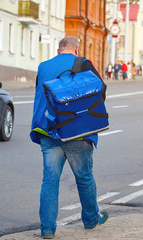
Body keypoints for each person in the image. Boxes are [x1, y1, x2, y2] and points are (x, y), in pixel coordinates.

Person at [30, 36, 108, 239]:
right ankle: (91, 219)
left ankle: (47, 229)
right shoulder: (83, 64)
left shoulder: (43, 66)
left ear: (58, 51)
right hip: (76, 131)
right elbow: (100, 91)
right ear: (77, 50)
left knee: (49, 180)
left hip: (48, 129)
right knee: (84, 177)